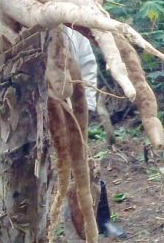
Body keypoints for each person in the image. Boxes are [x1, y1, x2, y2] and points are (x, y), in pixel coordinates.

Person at [63, 27, 127, 239]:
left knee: (84, 163)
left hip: (73, 109)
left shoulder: (72, 30)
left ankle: (103, 220)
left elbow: (87, 66)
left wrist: (86, 105)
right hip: (33, 113)